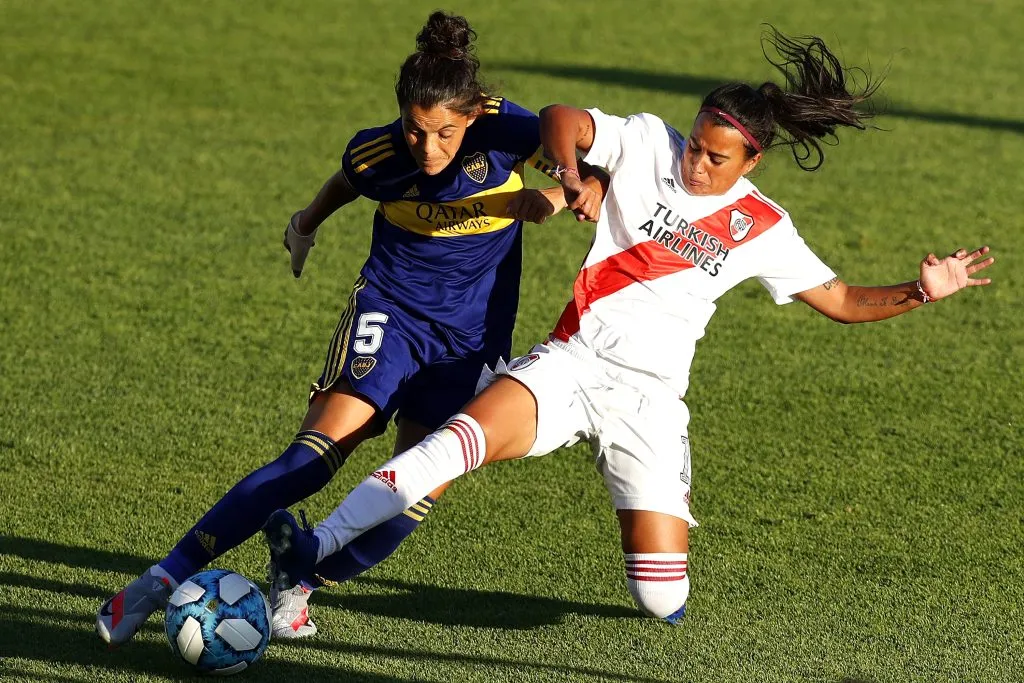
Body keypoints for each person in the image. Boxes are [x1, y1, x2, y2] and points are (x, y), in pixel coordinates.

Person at [262, 28, 994, 623]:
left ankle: (651, 534)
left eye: (716, 157)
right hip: (572, 364)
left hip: (649, 402)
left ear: (752, 159)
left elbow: (840, 299)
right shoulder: (646, 142)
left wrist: (920, 292)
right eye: (695, 145)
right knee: (456, 442)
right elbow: (558, 118)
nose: (696, 163)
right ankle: (309, 551)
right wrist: (576, 171)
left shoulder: (765, 227)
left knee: (660, 593)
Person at [95, 10, 606, 645]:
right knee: (313, 459)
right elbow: (349, 181)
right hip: (389, 312)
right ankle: (159, 582)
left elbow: (601, 167)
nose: (427, 148)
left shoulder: (508, 127)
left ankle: (300, 577)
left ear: (472, 117)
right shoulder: (380, 152)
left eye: (443, 133)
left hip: (471, 340)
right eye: (416, 131)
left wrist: (562, 192)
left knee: (414, 488)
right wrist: (305, 224)